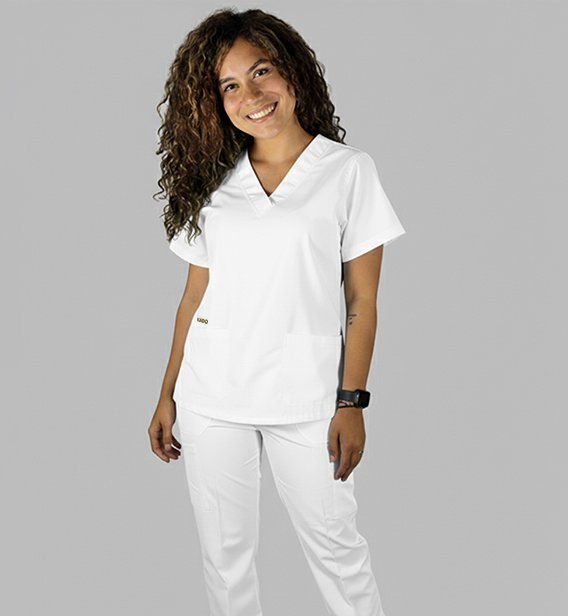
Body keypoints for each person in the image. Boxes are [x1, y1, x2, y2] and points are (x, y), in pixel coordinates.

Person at [148, 8, 406, 616]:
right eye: (230, 86)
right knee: (225, 559)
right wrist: (166, 394)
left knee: (338, 551)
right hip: (212, 396)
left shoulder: (347, 171)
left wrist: (352, 402)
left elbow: (362, 301)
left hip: (306, 399)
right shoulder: (213, 182)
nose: (251, 96)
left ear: (290, 71)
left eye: (261, 71)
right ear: (215, 102)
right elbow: (194, 296)